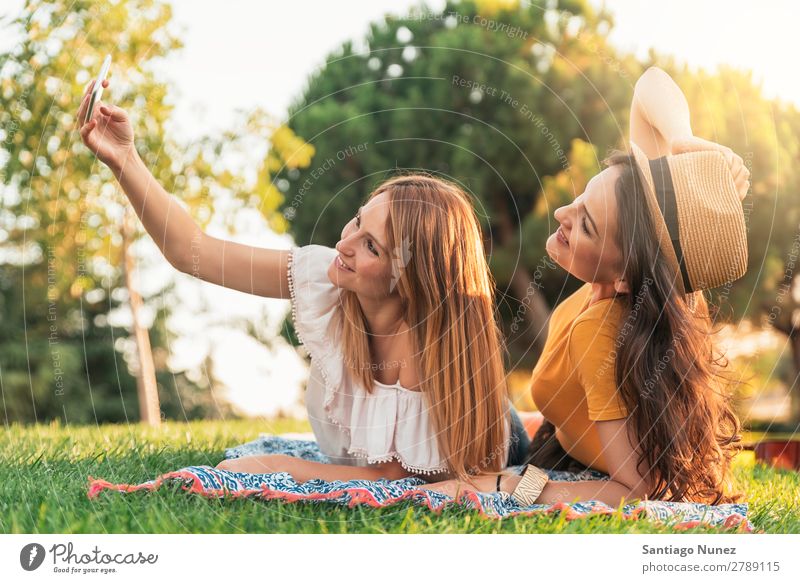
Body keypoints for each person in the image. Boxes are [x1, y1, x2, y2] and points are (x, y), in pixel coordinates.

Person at [76, 83, 529, 482]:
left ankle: (543, 416)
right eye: (356, 221)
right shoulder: (328, 277)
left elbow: (393, 477)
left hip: (497, 438)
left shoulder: (426, 345)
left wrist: (277, 466)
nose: (346, 243)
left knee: (542, 439)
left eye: (372, 246)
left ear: (411, 281)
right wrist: (124, 158)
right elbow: (193, 252)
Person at [421, 66, 751, 506]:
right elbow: (650, 84)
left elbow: (633, 491)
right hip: (555, 450)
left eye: (585, 226)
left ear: (624, 276)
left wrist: (502, 486)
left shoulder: (600, 331)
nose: (561, 214)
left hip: (576, 471)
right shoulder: (658, 278)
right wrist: (683, 144)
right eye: (580, 199)